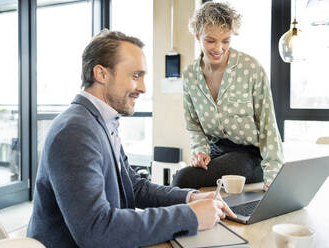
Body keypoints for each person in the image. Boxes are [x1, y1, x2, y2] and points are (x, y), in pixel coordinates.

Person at [27, 30, 236, 248]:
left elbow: (133, 187)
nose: (144, 88)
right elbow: (96, 230)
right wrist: (189, 216)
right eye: (136, 76)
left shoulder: (101, 121)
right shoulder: (75, 132)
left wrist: (190, 199)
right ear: (101, 74)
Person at [171, 2, 283, 190]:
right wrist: (200, 151)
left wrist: (273, 175)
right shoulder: (190, 74)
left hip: (250, 155)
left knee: (184, 179)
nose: (219, 48)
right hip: (216, 151)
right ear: (198, 36)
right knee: (182, 179)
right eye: (211, 40)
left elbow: (268, 127)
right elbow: (194, 124)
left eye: (226, 40)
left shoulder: (251, 69)